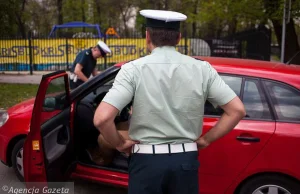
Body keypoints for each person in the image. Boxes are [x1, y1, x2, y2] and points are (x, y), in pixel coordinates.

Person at [93, 9, 246, 194]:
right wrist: (206, 139)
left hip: (145, 162)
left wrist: (119, 144)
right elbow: (236, 110)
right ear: (178, 38)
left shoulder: (132, 69)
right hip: (185, 161)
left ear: (147, 36)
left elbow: (102, 119)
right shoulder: (202, 69)